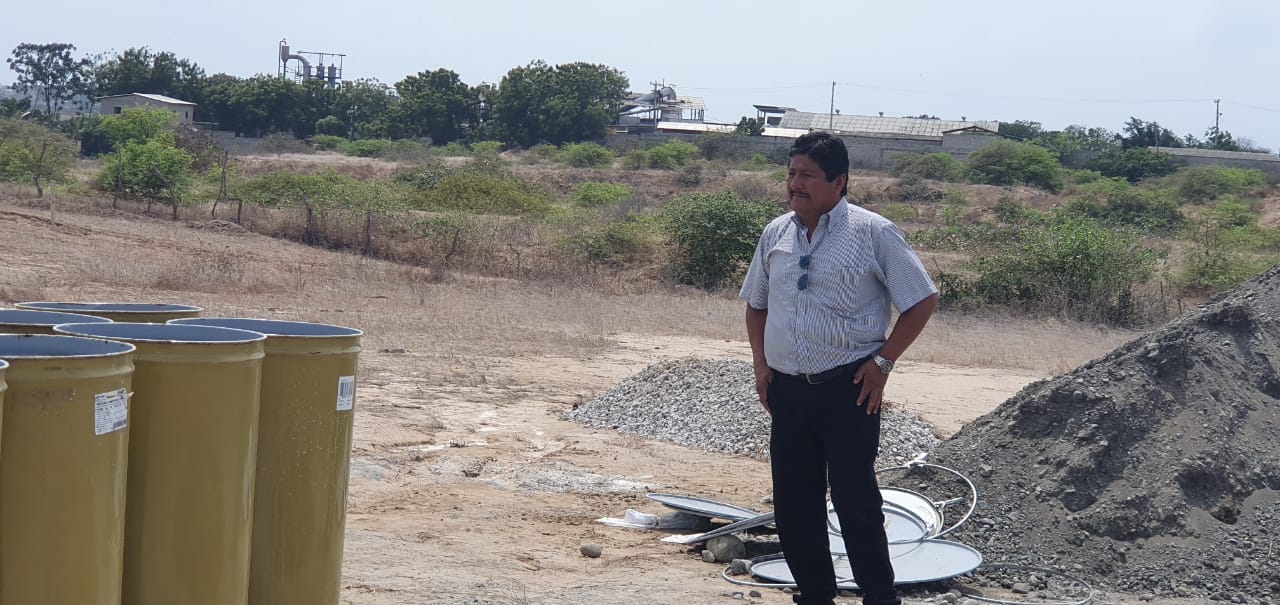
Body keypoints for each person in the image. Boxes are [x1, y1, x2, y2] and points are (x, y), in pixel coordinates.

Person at [740, 132, 939, 605]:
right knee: (794, 503)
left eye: (808, 175)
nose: (795, 184)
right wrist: (761, 364)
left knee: (856, 502)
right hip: (788, 391)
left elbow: (922, 300)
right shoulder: (776, 233)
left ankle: (879, 597)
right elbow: (756, 304)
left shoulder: (874, 233)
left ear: (839, 181)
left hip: (849, 389)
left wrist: (883, 362)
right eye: (792, 173)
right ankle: (814, 596)